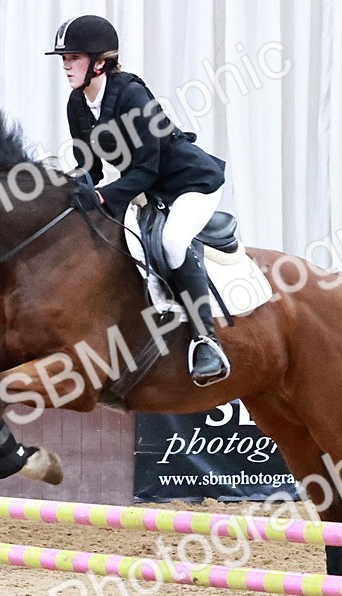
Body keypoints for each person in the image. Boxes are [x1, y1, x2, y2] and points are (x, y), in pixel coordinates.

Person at [46, 15, 230, 387]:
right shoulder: (77, 104)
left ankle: (206, 341)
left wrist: (101, 195)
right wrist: (63, 191)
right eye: (63, 58)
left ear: (100, 62)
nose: (65, 65)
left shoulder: (131, 95)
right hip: (148, 188)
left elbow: (147, 169)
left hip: (190, 183)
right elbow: (90, 167)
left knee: (173, 241)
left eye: (74, 57)